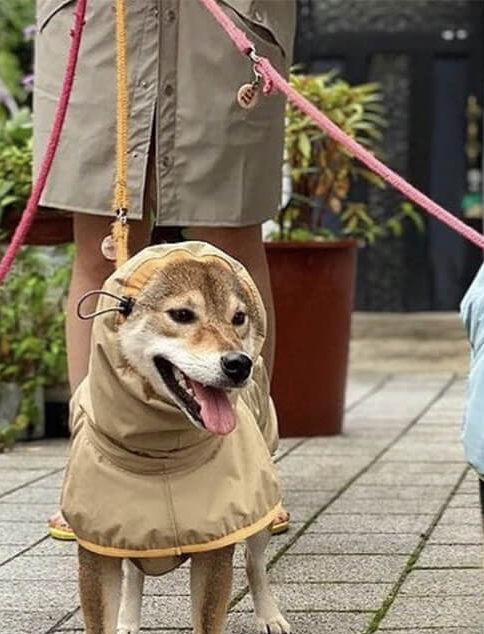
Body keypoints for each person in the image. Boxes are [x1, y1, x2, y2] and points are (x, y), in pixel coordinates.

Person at [33, 0, 295, 539]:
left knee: (233, 236)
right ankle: (93, 464)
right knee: (104, 243)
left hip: (223, 23)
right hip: (103, 21)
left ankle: (250, 464)